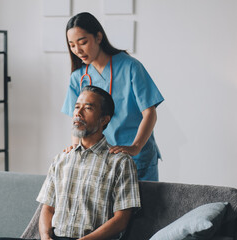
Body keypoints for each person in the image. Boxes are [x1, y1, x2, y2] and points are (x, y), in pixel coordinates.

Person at [62, 12, 164, 181]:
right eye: (72, 45)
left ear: (98, 37)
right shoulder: (77, 77)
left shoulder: (130, 67)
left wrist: (135, 147)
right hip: (101, 160)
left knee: (144, 207)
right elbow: (77, 121)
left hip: (137, 159)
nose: (77, 50)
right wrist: (76, 150)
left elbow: (150, 113)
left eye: (83, 42)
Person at [38, 86, 140, 240]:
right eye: (77, 107)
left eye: (87, 108)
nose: (78, 113)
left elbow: (121, 220)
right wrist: (45, 237)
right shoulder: (61, 159)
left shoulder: (121, 162)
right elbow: (47, 208)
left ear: (104, 119)